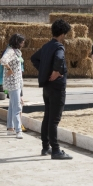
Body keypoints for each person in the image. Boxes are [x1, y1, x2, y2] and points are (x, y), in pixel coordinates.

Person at [30, 19, 73, 160]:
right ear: (62, 33)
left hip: (47, 87)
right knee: (54, 120)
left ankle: (45, 147)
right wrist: (54, 72)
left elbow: (34, 58)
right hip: (57, 87)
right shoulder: (59, 47)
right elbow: (60, 60)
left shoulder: (46, 46)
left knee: (47, 116)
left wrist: (45, 71)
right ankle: (55, 150)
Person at [1, 34, 25, 139]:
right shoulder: (10, 51)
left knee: (12, 105)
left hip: (17, 82)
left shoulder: (15, 51)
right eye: (22, 41)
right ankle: (18, 130)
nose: (23, 43)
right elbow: (3, 60)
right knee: (17, 107)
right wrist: (9, 69)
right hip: (13, 82)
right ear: (17, 42)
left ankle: (10, 127)